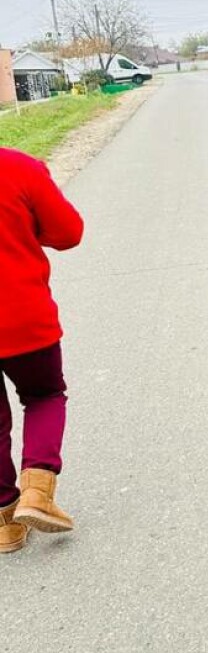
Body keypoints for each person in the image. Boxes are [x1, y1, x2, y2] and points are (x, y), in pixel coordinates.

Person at [0, 148, 85, 554]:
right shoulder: (17, 168)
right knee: (44, 395)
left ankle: (5, 523)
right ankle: (37, 491)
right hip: (22, 317)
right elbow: (68, 232)